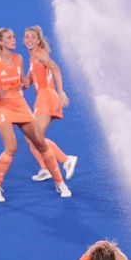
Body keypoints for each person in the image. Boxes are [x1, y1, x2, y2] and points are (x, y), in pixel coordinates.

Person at [0, 27, 71, 202]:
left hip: (21, 105)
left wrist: (25, 82)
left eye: (14, 37)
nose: (14, 40)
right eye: (9, 38)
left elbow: (21, 80)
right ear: (1, 43)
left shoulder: (19, 58)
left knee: (40, 144)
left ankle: (60, 183)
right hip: (3, 109)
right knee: (12, 148)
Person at [22, 25, 77, 184]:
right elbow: (28, 81)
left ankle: (66, 160)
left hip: (47, 97)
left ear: (38, 40)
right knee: (30, 138)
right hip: (42, 98)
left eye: (33, 37)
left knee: (35, 137)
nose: (29, 39)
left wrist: (60, 90)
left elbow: (56, 69)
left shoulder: (39, 54)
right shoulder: (33, 58)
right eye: (27, 36)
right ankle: (45, 169)